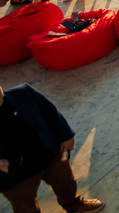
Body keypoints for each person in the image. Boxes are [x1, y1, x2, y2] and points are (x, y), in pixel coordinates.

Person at [0, 83, 105, 213]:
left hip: (50, 154)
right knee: (24, 204)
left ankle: (74, 205)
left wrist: (66, 136)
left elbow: (52, 114)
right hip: (15, 174)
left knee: (66, 183)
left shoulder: (24, 92)